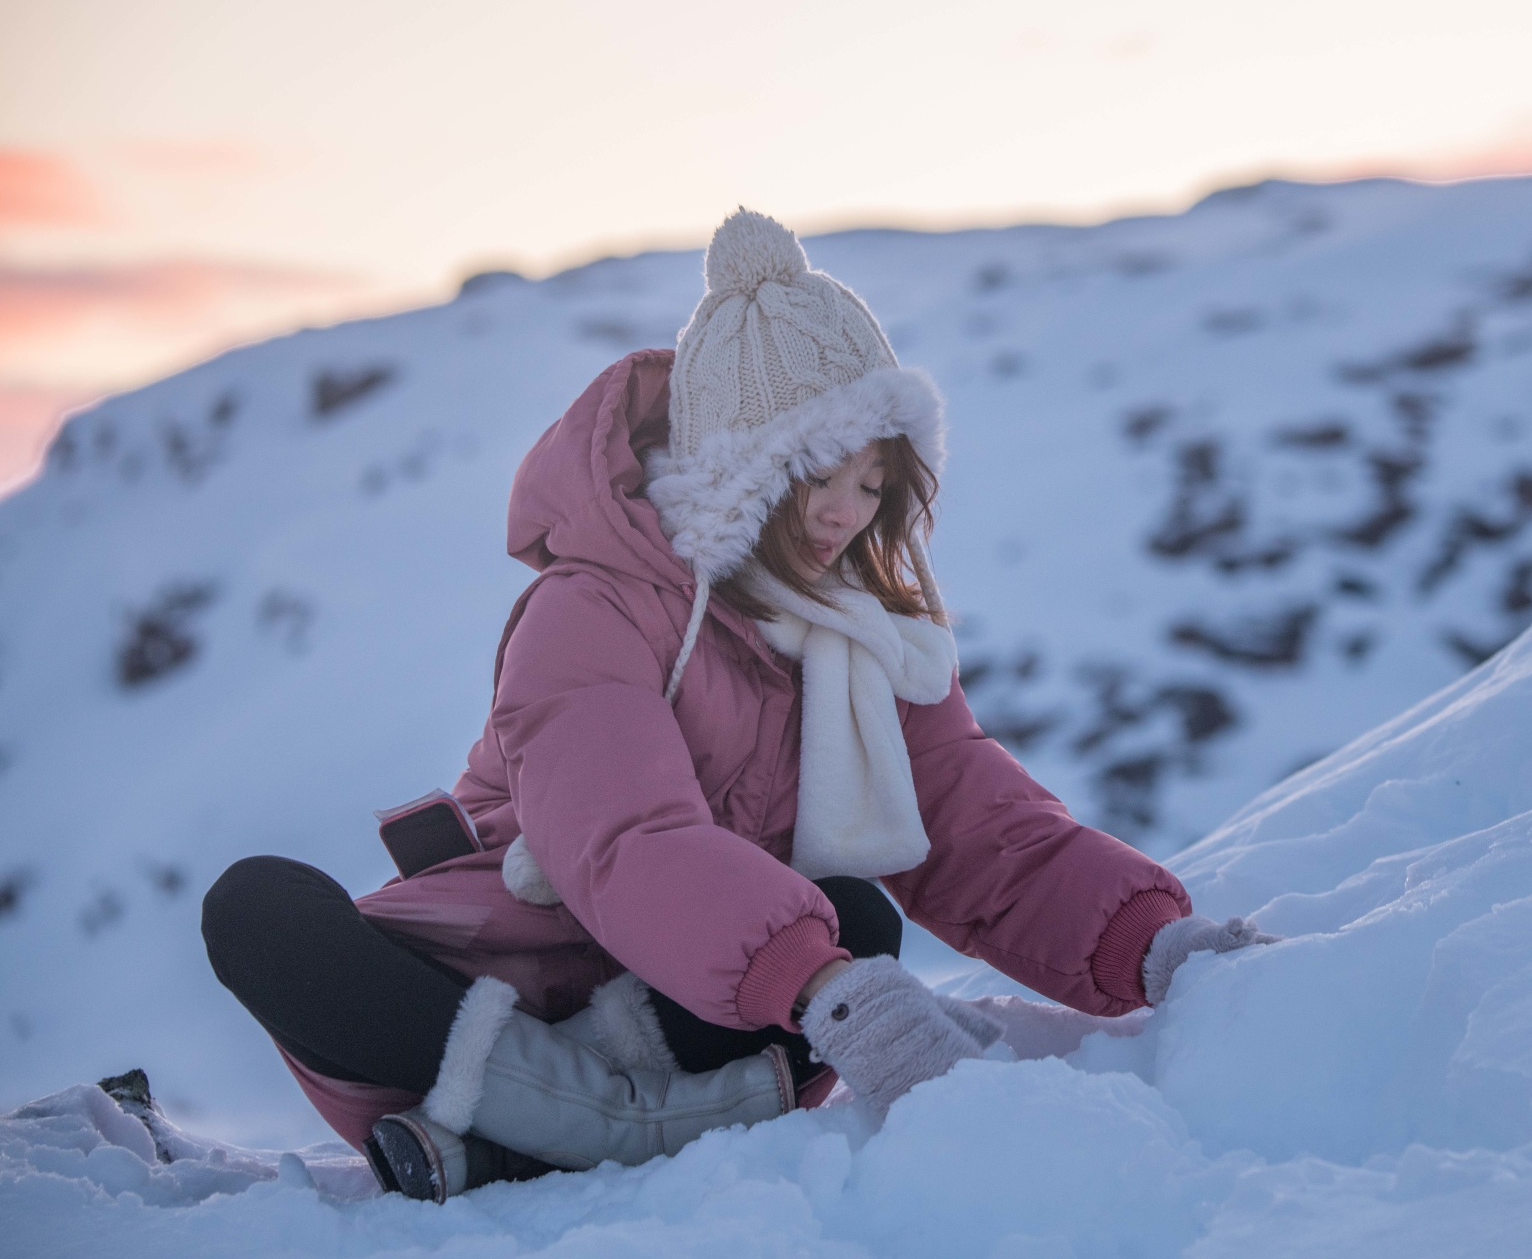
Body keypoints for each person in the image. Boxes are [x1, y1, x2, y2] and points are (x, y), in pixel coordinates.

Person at [201, 209, 1277, 1203]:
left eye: (872, 482)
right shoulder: (592, 607)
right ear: (739, 465)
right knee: (260, 910)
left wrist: (1150, 943)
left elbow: (978, 826)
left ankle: (519, 1143)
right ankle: (564, 1122)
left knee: (855, 914)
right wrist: (821, 992)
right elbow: (627, 841)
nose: (845, 514)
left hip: (680, 1012)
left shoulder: (862, 633)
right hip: (491, 986)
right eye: (816, 474)